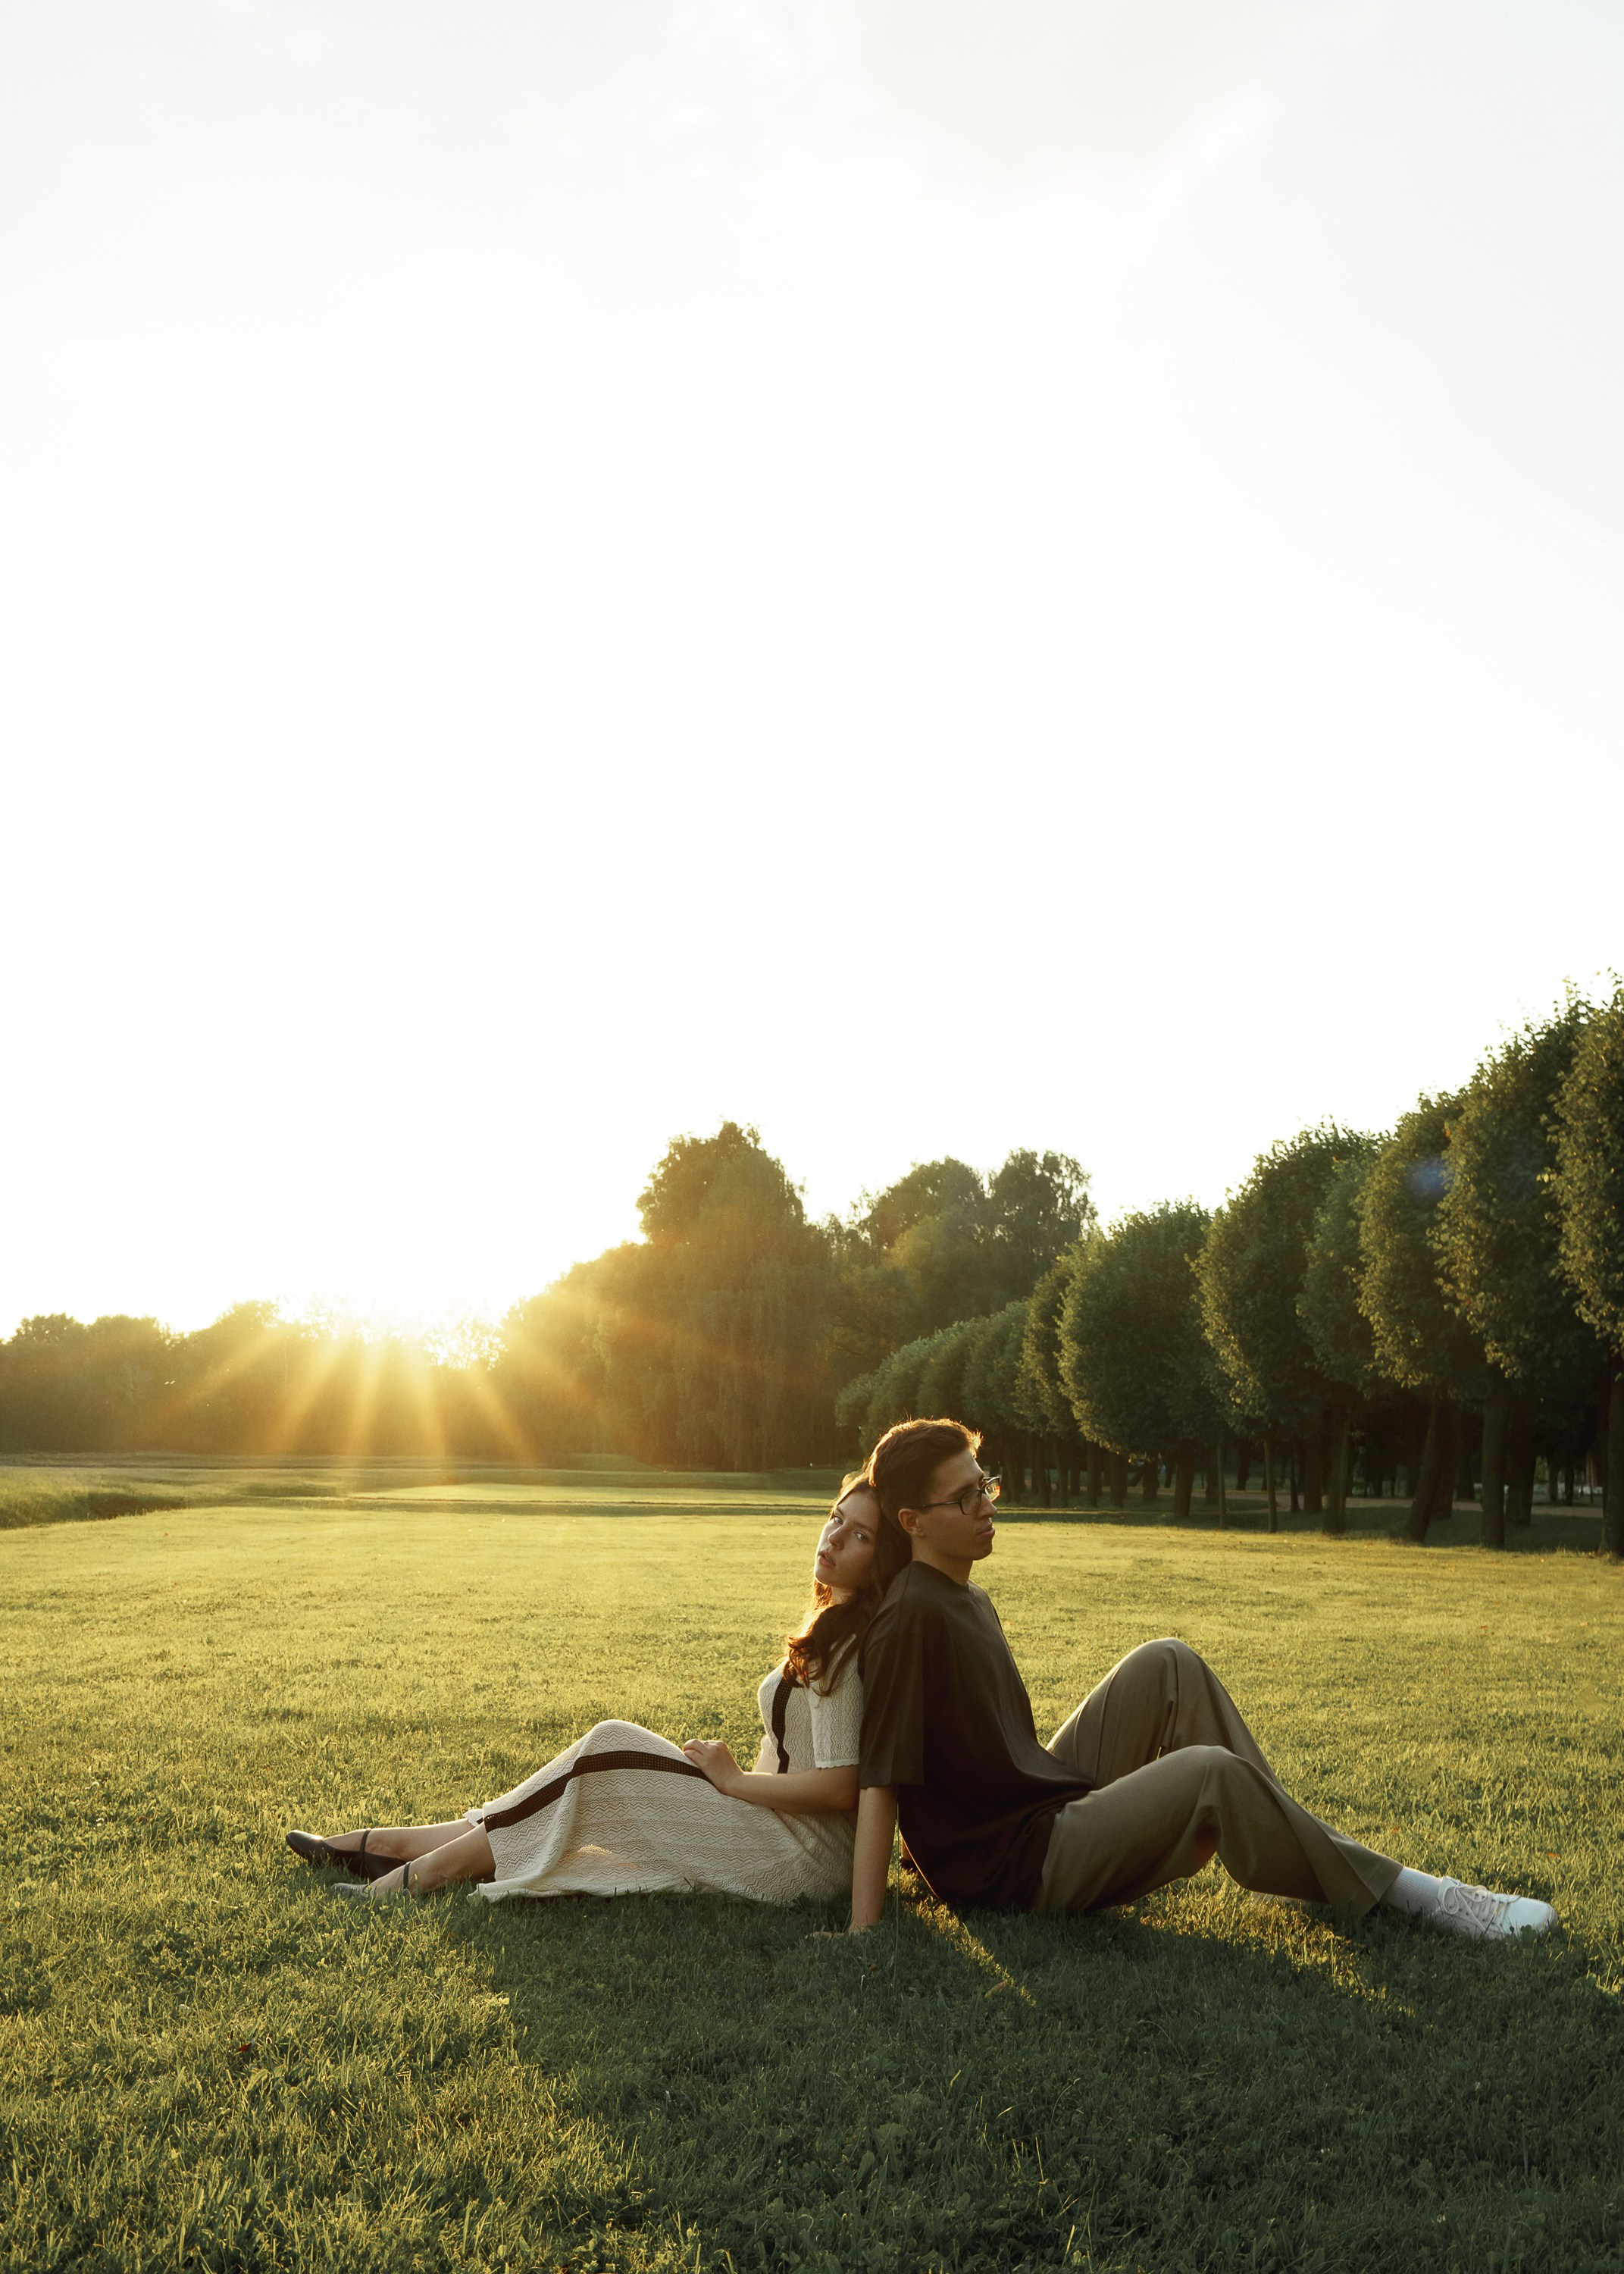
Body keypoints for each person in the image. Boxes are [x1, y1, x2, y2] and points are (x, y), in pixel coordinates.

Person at [850, 1418, 1558, 1944]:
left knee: (1167, 1663)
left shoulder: (965, 1595)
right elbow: (881, 1778)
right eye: (966, 1497)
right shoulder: (909, 1616)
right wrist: (864, 1927)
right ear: (912, 1522)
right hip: (1012, 1869)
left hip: (1032, 1807)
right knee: (1208, 1774)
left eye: (985, 1484)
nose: (987, 1505)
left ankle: (1298, 1847)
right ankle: (1424, 1897)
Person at [285, 1476, 905, 1905]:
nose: (833, 1538)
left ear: (881, 1561)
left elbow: (841, 1785)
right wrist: (729, 1791)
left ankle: (416, 1868)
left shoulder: (849, 1650)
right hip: (767, 1825)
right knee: (597, 1767)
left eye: (860, 1537)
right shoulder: (832, 1626)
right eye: (835, 1519)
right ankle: (398, 1847)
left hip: (800, 1857)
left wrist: (732, 1781)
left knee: (610, 1747)